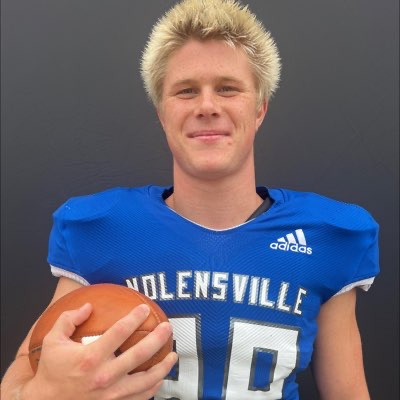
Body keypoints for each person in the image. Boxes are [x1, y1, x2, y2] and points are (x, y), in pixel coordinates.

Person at [2, 0, 379, 399]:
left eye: (227, 88)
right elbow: (16, 386)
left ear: (259, 109)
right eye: (186, 91)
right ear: (162, 113)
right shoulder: (100, 230)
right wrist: (48, 391)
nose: (207, 107)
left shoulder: (326, 236)